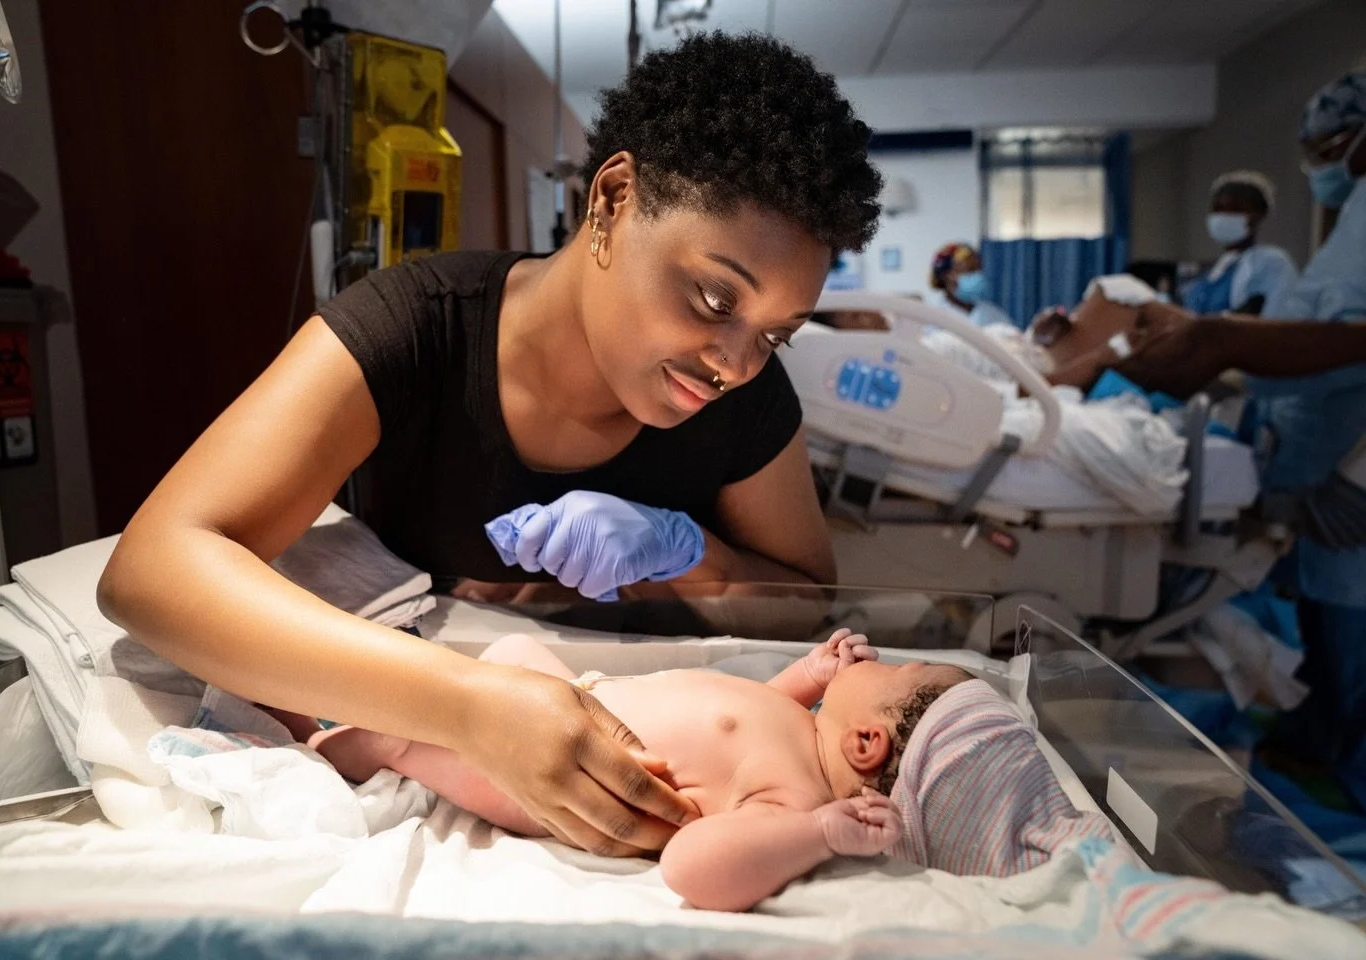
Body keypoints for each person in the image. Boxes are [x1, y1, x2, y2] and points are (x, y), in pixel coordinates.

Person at [96, 32, 883, 859]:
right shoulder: (412, 331)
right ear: (613, 199)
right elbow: (149, 572)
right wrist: (471, 706)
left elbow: (802, 600)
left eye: (776, 335)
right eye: (716, 299)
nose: (737, 364)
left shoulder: (749, 398)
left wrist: (682, 552)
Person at [281, 629, 1111, 912]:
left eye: (896, 672)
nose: (877, 660)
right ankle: (328, 721)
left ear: (867, 745)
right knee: (503, 659)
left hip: (558, 776)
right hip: (572, 698)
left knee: (405, 738)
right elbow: (743, 714)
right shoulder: (799, 727)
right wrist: (808, 676)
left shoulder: (795, 800)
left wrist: (818, 834)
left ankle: (328, 751)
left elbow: (693, 865)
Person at [1088, 70, 1366, 808]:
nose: (1321, 162)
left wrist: (1223, 342)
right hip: (1307, 449)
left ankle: (1349, 777)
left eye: (1330, 146)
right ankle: (1320, 744)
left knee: (1352, 629)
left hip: (1344, 462)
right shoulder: (1351, 221)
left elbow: (1336, 338)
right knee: (1329, 624)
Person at [1181, 171, 1297, 316]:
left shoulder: (1271, 264)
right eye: (1218, 209)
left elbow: (1274, 321)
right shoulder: (1213, 273)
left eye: (1235, 209)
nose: (1223, 216)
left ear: (1257, 215)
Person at [928, 243, 1014, 327]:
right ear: (946, 275)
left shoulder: (995, 315)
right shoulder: (930, 313)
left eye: (979, 269)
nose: (977, 276)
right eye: (970, 270)